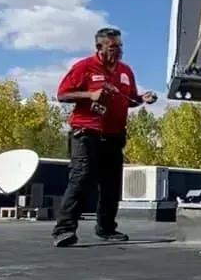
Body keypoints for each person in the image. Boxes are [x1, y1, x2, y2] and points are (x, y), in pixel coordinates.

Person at [52, 27, 157, 248]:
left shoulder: (126, 71)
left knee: (111, 184)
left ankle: (107, 228)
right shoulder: (84, 67)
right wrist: (90, 95)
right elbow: (62, 94)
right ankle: (64, 230)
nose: (118, 51)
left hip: (115, 134)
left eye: (120, 46)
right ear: (99, 47)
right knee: (81, 177)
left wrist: (143, 98)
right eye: (113, 47)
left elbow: (129, 99)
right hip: (86, 131)